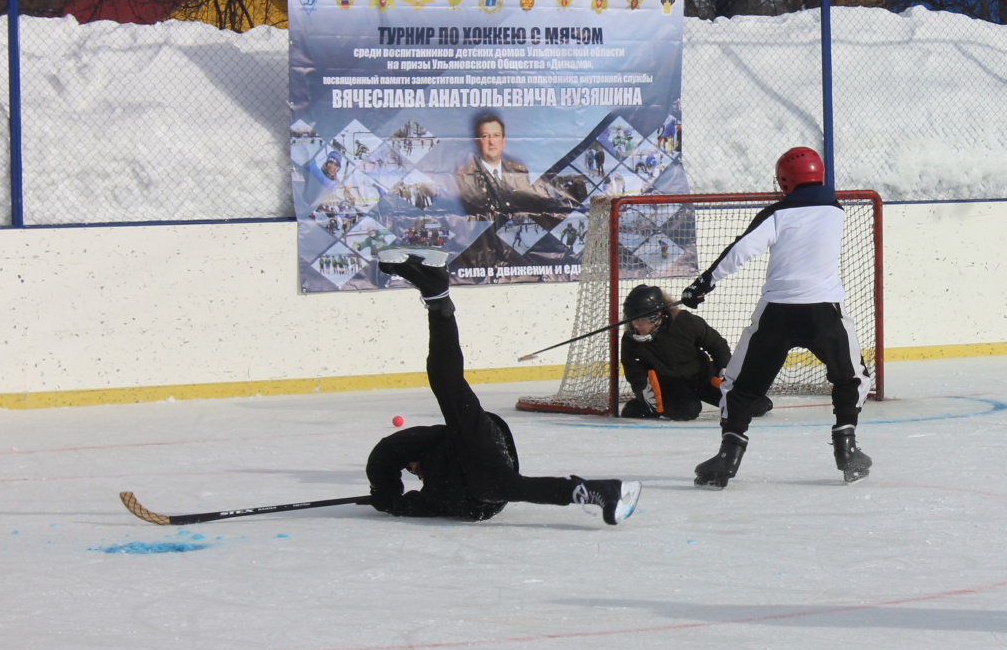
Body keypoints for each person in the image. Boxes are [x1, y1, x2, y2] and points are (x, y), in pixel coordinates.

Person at [365, 249, 640, 523]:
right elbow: (422, 504)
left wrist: (384, 490)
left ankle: (437, 299)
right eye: (413, 472)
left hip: (476, 442)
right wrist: (392, 501)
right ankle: (602, 490)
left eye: (409, 466)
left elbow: (384, 453)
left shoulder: (427, 445)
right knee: (494, 487)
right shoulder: (440, 492)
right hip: (477, 498)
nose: (414, 469)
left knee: (446, 384)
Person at [680, 146, 874, 488]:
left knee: (740, 386)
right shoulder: (836, 210)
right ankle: (847, 448)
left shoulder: (778, 213)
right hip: (825, 311)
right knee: (852, 377)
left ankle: (727, 458)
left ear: (786, 181)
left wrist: (702, 285)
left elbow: (740, 251)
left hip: (778, 314)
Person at [619, 283, 737, 421]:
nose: (636, 325)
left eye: (641, 320)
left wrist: (724, 369)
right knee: (687, 410)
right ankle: (642, 407)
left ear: (658, 315)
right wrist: (643, 393)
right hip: (672, 388)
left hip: (703, 378)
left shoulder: (685, 321)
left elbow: (718, 345)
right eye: (632, 320)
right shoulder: (630, 342)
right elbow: (635, 375)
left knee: (753, 405)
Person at [454, 113, 554, 219]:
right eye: (485, 136)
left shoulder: (519, 171)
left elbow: (526, 207)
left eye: (496, 135)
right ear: (478, 142)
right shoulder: (466, 176)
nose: (491, 142)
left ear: (503, 140)